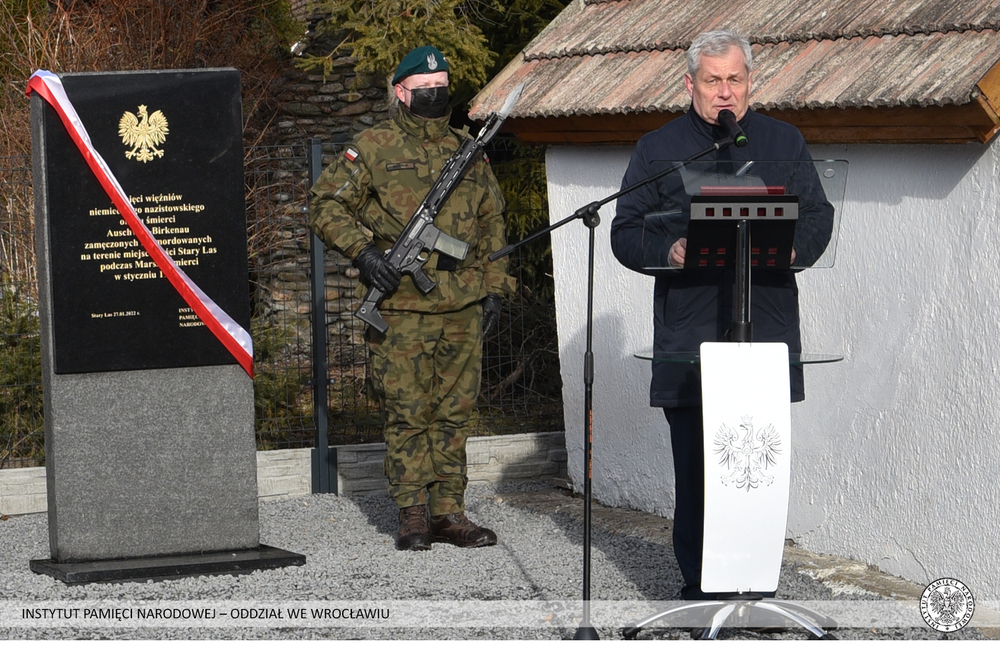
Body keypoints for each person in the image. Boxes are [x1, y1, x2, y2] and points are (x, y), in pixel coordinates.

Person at [610, 30, 833, 599]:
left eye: (735, 79)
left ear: (750, 82)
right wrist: (668, 251)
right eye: (713, 81)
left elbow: (817, 217)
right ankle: (703, 590)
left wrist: (789, 249)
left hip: (765, 332)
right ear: (690, 85)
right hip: (692, 339)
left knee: (754, 473)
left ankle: (755, 590)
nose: (725, 91)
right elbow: (624, 230)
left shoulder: (784, 141)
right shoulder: (658, 149)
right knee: (701, 472)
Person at [309, 46, 516, 551]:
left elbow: (492, 223)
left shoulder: (467, 150)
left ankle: (451, 513)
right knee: (407, 411)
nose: (435, 94)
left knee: (456, 413)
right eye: (424, 89)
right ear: (401, 92)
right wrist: (363, 253)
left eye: (442, 85)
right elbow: (325, 203)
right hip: (400, 308)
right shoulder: (373, 146)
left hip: (462, 305)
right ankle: (413, 515)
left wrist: (495, 287)